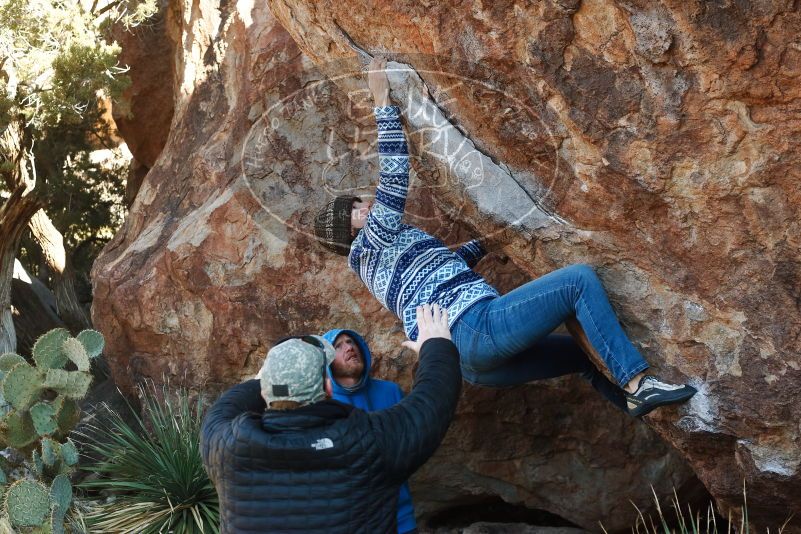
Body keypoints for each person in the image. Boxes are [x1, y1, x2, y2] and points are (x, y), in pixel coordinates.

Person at [313, 57, 696, 418]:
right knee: (578, 281)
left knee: (584, 355)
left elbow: (437, 273)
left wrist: (484, 246)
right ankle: (639, 383)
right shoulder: (371, 241)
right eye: (357, 208)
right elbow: (395, 178)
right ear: (349, 227)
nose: (367, 206)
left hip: (470, 361)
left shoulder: (376, 261)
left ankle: (639, 409)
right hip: (475, 328)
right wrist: (382, 101)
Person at [201, 304, 461, 533]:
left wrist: (272, 375)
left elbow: (226, 405)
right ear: (328, 388)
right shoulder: (368, 442)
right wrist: (436, 343)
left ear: (263, 390)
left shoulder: (226, 449)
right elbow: (434, 400)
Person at [322, 328, 418, 533]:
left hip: (399, 518)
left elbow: (411, 446)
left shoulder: (390, 391)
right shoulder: (323, 405)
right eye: (338, 346)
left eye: (351, 342)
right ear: (327, 361)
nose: (349, 347)